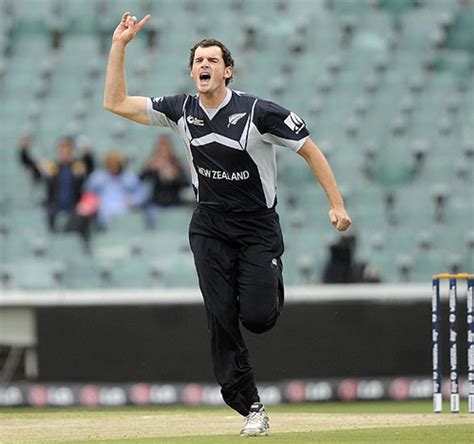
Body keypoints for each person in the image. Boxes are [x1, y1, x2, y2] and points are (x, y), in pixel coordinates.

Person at [103, 12, 351, 437]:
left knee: (256, 317)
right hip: (210, 226)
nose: (204, 65)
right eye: (199, 60)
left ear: (227, 69)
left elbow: (310, 151)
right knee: (220, 315)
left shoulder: (258, 112)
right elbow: (116, 103)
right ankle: (249, 404)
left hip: (257, 228)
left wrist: (336, 205)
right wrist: (119, 46)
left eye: (213, 60)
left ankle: (267, 281)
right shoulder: (181, 109)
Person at [18, 134, 94, 232]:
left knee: (84, 215)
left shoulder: (78, 166)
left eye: (67, 147)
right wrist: (24, 151)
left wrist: (87, 153)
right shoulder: (52, 167)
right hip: (53, 205)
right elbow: (31, 165)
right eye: (62, 147)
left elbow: (90, 167)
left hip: (74, 206)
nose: (64, 151)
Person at [84, 149, 148, 229]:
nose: (113, 166)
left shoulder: (129, 177)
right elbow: (87, 193)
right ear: (106, 164)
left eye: (116, 163)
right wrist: (95, 201)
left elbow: (142, 194)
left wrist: (133, 200)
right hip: (103, 212)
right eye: (111, 163)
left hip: (124, 212)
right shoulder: (98, 177)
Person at [139, 135, 189, 229]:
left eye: (165, 146)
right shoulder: (153, 161)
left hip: (174, 202)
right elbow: (140, 179)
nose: (163, 150)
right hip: (156, 202)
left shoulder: (176, 162)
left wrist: (175, 176)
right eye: (160, 147)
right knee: (149, 219)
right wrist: (150, 168)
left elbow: (186, 183)